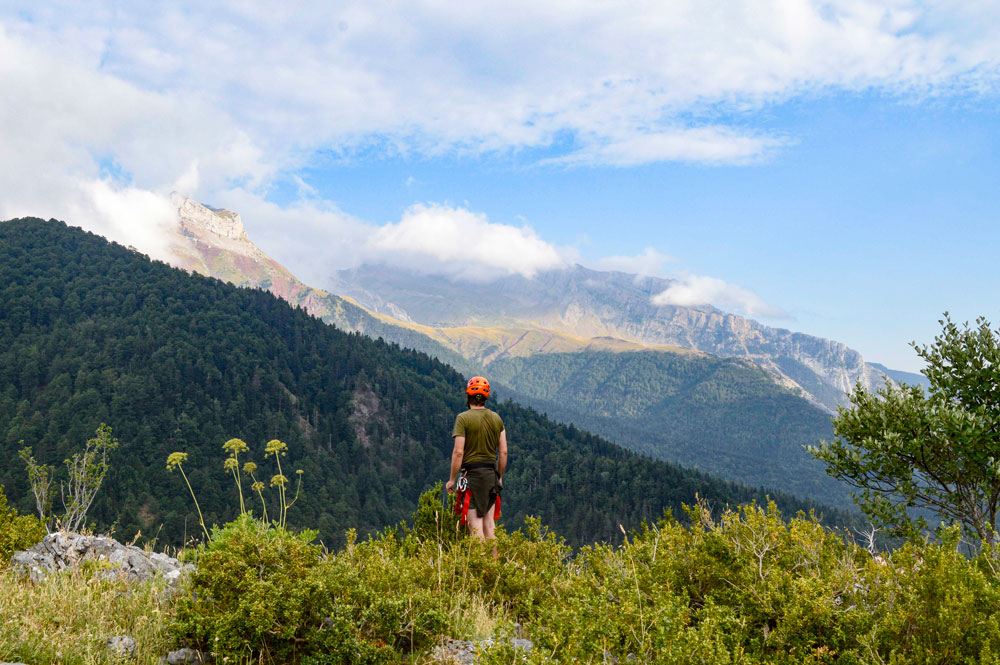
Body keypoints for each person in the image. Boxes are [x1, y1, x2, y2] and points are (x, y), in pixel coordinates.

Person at [447, 376, 507, 555]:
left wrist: (452, 479)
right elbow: (503, 452)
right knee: (490, 525)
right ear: (486, 398)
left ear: (468, 397)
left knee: (475, 526)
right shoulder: (497, 419)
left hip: (472, 476)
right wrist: (500, 477)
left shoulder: (463, 419)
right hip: (490, 475)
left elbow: (458, 452)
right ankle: (495, 567)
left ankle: (481, 568)